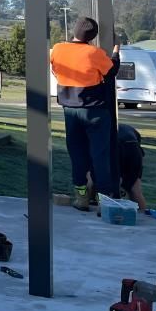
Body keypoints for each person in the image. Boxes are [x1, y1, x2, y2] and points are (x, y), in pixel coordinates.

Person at [50, 16, 120, 211]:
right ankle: (104, 201)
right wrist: (116, 49)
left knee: (77, 154)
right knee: (100, 155)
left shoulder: (58, 49)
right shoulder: (94, 53)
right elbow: (111, 71)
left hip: (70, 111)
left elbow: (55, 71)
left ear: (74, 31)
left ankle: (81, 197)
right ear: (92, 36)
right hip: (95, 111)